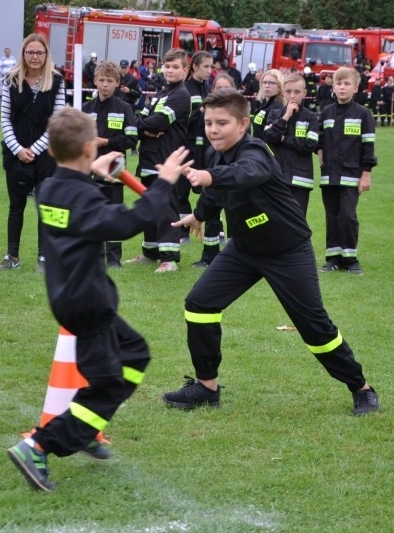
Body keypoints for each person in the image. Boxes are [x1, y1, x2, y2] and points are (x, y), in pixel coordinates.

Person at [7, 107, 192, 492]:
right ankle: (39, 445)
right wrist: (164, 183)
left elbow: (78, 195)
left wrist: (92, 168)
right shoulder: (79, 196)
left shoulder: (52, 188)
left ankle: (86, 427)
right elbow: (125, 224)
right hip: (88, 302)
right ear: (90, 146)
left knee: (135, 353)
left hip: (72, 296)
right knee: (107, 383)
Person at [162, 88, 379, 417]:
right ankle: (206, 387)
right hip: (244, 249)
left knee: (314, 326)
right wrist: (198, 215)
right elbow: (217, 193)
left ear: (243, 123)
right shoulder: (217, 153)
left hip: (287, 249)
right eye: (208, 123)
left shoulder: (255, 151)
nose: (213, 129)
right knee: (199, 303)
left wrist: (208, 176)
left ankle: (361, 388)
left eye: (222, 123)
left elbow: (246, 174)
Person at [0, 33, 66, 273]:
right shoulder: (10, 80)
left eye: (39, 52)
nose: (35, 57)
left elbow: (57, 121)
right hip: (15, 152)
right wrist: (17, 149)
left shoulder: (57, 81)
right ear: (23, 54)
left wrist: (34, 149)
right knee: (16, 206)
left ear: (46, 55)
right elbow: (5, 119)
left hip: (47, 154)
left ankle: (44, 258)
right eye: (30, 52)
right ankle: (12, 256)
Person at [124, 48, 190, 273]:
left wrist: (145, 126)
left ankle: (169, 258)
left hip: (166, 160)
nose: (170, 70)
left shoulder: (182, 95)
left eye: (175, 67)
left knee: (167, 207)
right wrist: (145, 128)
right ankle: (150, 253)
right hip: (149, 157)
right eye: (167, 66)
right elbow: (139, 122)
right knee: (150, 205)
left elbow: (158, 122)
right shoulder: (161, 94)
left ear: (185, 70)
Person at [317, 67, 377, 275]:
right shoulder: (326, 112)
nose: (342, 87)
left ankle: (350, 259)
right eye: (338, 83)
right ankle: (333, 258)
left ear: (356, 88)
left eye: (346, 84)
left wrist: (366, 174)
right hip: (329, 176)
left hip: (352, 176)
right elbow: (320, 138)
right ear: (333, 87)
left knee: (348, 216)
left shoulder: (363, 114)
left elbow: (368, 145)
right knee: (332, 216)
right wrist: (319, 150)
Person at [83, 61, 138, 268]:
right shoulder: (86, 108)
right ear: (95, 81)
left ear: (117, 83)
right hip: (89, 169)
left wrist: (106, 142)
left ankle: (114, 259)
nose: (105, 84)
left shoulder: (124, 108)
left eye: (110, 81)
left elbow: (131, 139)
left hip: (114, 170)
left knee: (114, 214)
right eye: (102, 80)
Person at [263, 73, 320, 216]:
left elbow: (309, 146)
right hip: (277, 176)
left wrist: (283, 139)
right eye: (288, 92)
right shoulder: (275, 114)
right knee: (276, 220)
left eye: (297, 92)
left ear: (304, 93)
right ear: (283, 93)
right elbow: (269, 137)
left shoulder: (311, 117)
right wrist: (286, 117)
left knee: (297, 221)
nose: (292, 96)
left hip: (301, 179)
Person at [182, 51, 213, 261]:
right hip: (190, 146)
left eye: (211, 67)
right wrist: (199, 112)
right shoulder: (187, 89)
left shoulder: (208, 88)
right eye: (206, 67)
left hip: (207, 147)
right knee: (181, 191)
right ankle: (182, 232)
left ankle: (212, 231)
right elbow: (183, 119)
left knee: (209, 191)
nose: (209, 71)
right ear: (194, 67)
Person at [251, 69, 285, 140]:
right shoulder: (264, 103)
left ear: (279, 87)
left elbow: (272, 135)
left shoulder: (277, 107)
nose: (267, 85)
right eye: (264, 82)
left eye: (271, 83)